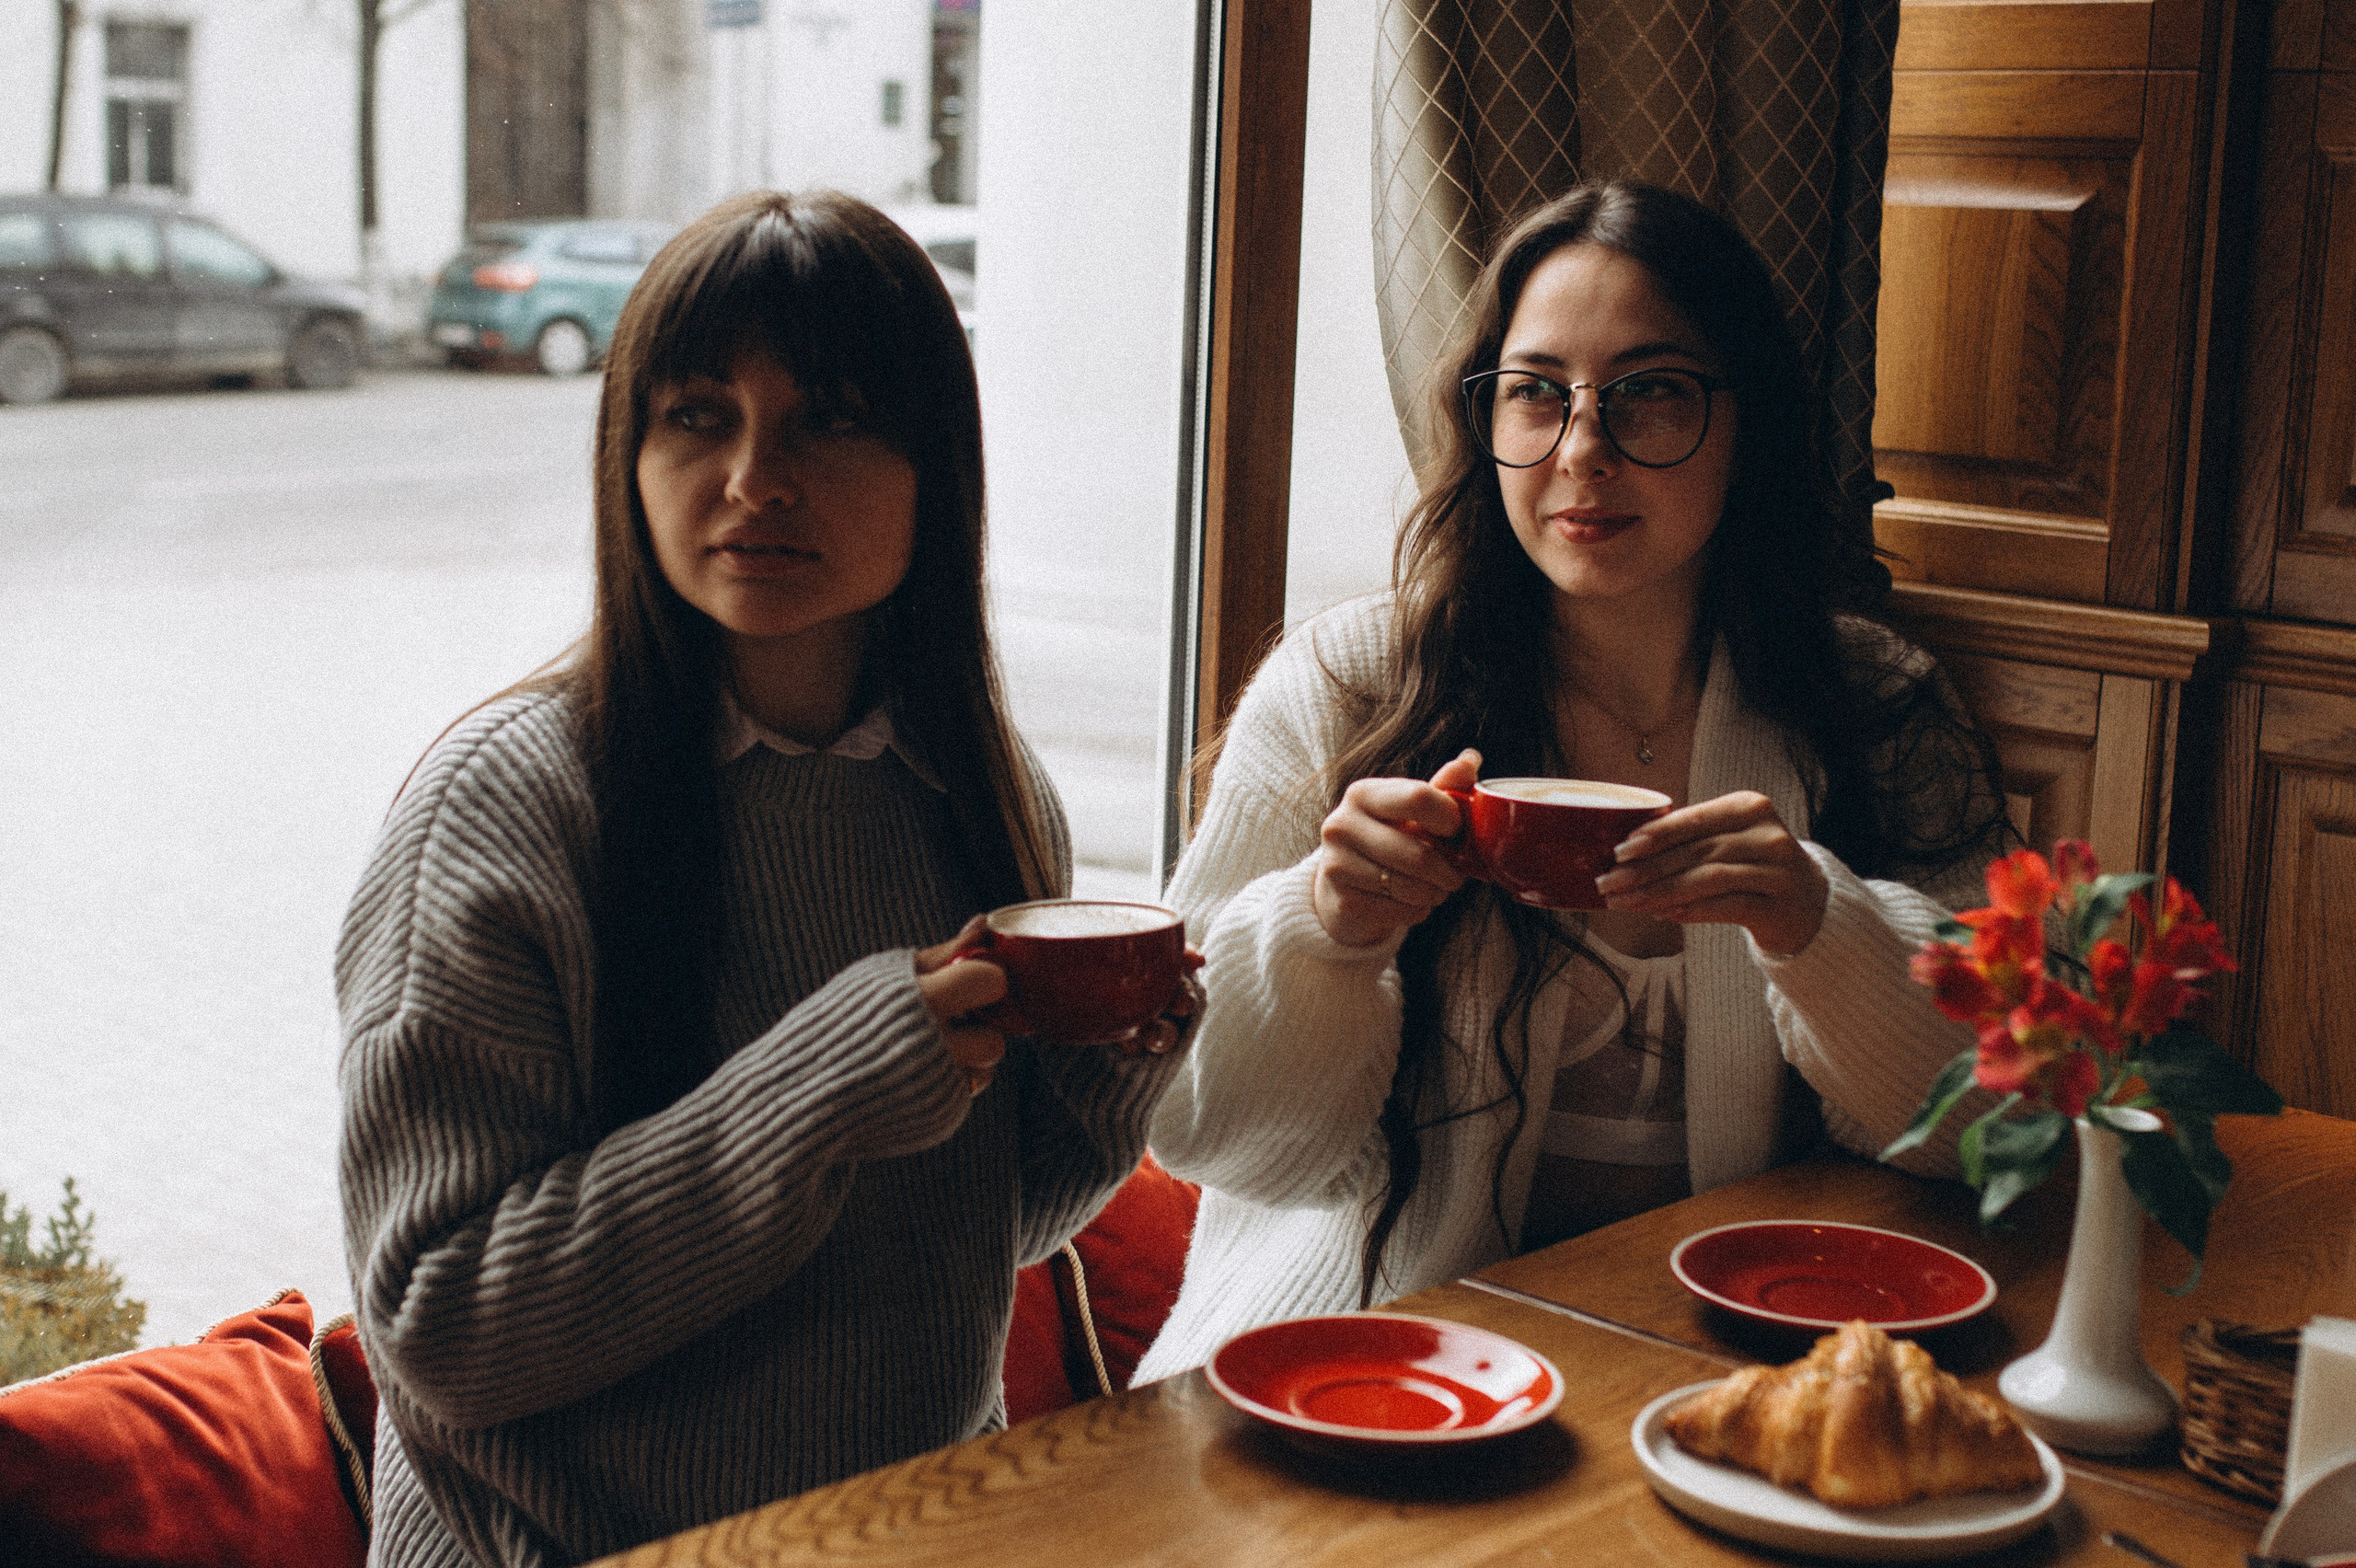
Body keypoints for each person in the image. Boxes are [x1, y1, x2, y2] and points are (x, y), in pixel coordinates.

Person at [338, 190, 1196, 1568]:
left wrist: (1103, 1080)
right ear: (628, 453)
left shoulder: (981, 787)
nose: (755, 479)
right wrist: (824, 1087)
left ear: (939, 468)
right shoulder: (503, 807)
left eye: (832, 418)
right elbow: (444, 1330)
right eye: (699, 416)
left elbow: (966, 1238)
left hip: (908, 1531)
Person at [1133, 181, 2010, 1382]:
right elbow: (1204, 1133)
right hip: (1363, 1365)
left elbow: (1991, 1129)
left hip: (1740, 1367)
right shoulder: (1349, 690)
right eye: (1537, 395)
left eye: (1651, 395)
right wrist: (1328, 934)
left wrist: (1818, 925)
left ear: (1745, 422)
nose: (1583, 452)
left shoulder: (1873, 707)